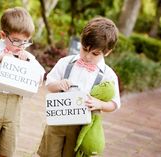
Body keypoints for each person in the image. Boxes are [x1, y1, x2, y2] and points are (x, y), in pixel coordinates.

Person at [37, 17, 121, 157]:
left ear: (107, 52)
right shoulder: (66, 62)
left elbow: (114, 103)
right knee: (49, 152)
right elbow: (49, 84)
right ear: (81, 41)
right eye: (84, 49)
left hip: (81, 126)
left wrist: (99, 104)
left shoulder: (108, 75)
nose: (87, 56)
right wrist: (58, 84)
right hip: (58, 119)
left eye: (94, 53)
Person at [0, 7, 45, 157]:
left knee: (8, 149)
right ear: (3, 35)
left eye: (25, 42)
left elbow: (40, 79)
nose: (21, 46)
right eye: (16, 41)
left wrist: (27, 64)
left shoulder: (27, 56)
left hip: (15, 105)